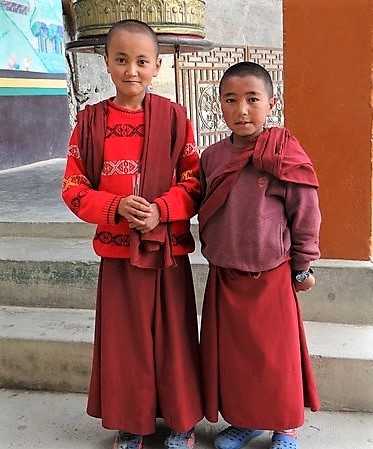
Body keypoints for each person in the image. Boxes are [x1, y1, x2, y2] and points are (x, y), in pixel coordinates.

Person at [62, 19, 203, 449]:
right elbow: (73, 187)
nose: (131, 70)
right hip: (119, 255)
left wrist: (161, 209)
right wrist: (115, 207)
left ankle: (181, 422)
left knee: (175, 338)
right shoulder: (90, 122)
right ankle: (134, 422)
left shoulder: (176, 119)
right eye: (121, 60)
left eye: (142, 61)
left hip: (166, 253)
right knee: (126, 344)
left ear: (157, 66)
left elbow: (195, 182)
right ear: (106, 63)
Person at [198, 61, 321, 449]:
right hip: (225, 273)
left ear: (271, 102)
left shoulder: (283, 151)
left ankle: (285, 425)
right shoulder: (212, 157)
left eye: (252, 99)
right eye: (231, 100)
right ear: (219, 104)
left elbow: (305, 212)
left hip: (271, 274)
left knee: (276, 357)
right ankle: (247, 421)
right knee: (236, 359)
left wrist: (303, 266)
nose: (242, 110)